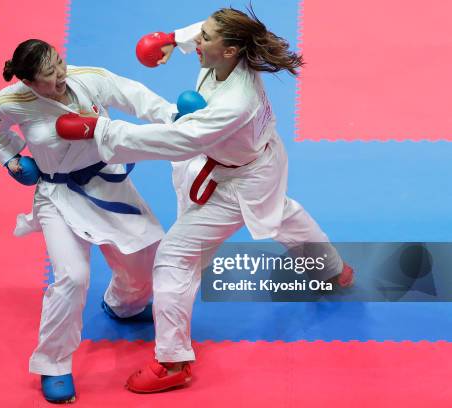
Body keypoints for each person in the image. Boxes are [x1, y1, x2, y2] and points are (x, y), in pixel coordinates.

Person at [55, 7, 354, 393]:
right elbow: (204, 28)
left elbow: (177, 140)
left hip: (237, 180)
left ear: (228, 51)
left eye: (206, 39)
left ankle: (173, 361)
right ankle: (332, 270)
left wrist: (101, 131)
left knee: (175, 257)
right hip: (255, 161)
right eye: (202, 35)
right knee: (279, 212)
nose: (200, 40)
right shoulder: (230, 50)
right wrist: (171, 39)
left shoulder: (235, 102)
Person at [0, 39, 178, 403]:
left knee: (147, 254)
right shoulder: (10, 101)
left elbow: (130, 93)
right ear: (27, 81)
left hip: (107, 184)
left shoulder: (85, 78)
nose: (59, 76)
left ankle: (124, 305)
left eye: (59, 63)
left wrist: (171, 116)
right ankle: (53, 364)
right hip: (58, 196)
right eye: (48, 75)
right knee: (72, 277)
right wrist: (10, 158)